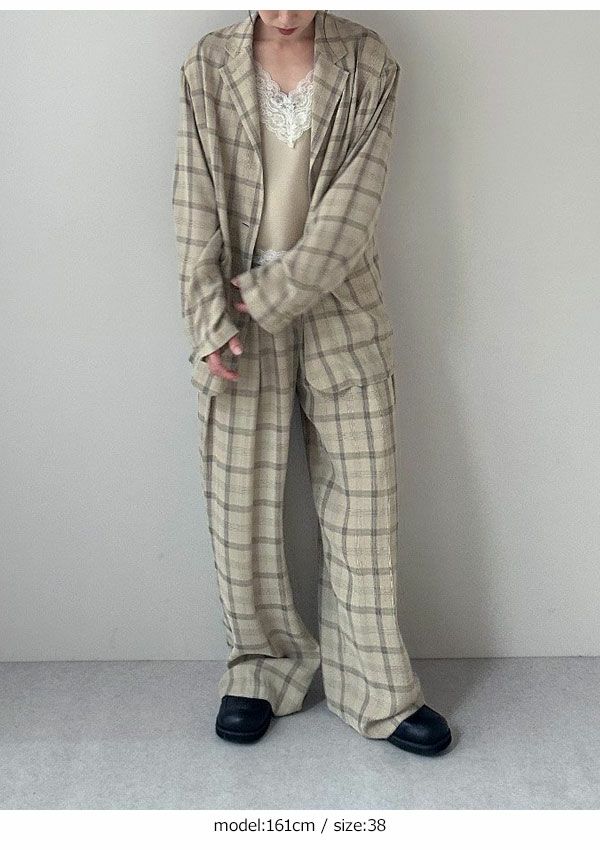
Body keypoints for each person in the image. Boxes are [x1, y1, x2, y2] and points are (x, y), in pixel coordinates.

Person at [172, 10, 452, 756]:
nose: (285, 12)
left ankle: (376, 688)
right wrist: (209, 320)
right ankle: (260, 670)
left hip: (341, 304)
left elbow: (353, 211)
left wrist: (273, 294)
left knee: (365, 501)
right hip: (236, 305)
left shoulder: (369, 63)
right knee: (240, 504)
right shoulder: (208, 64)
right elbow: (192, 201)